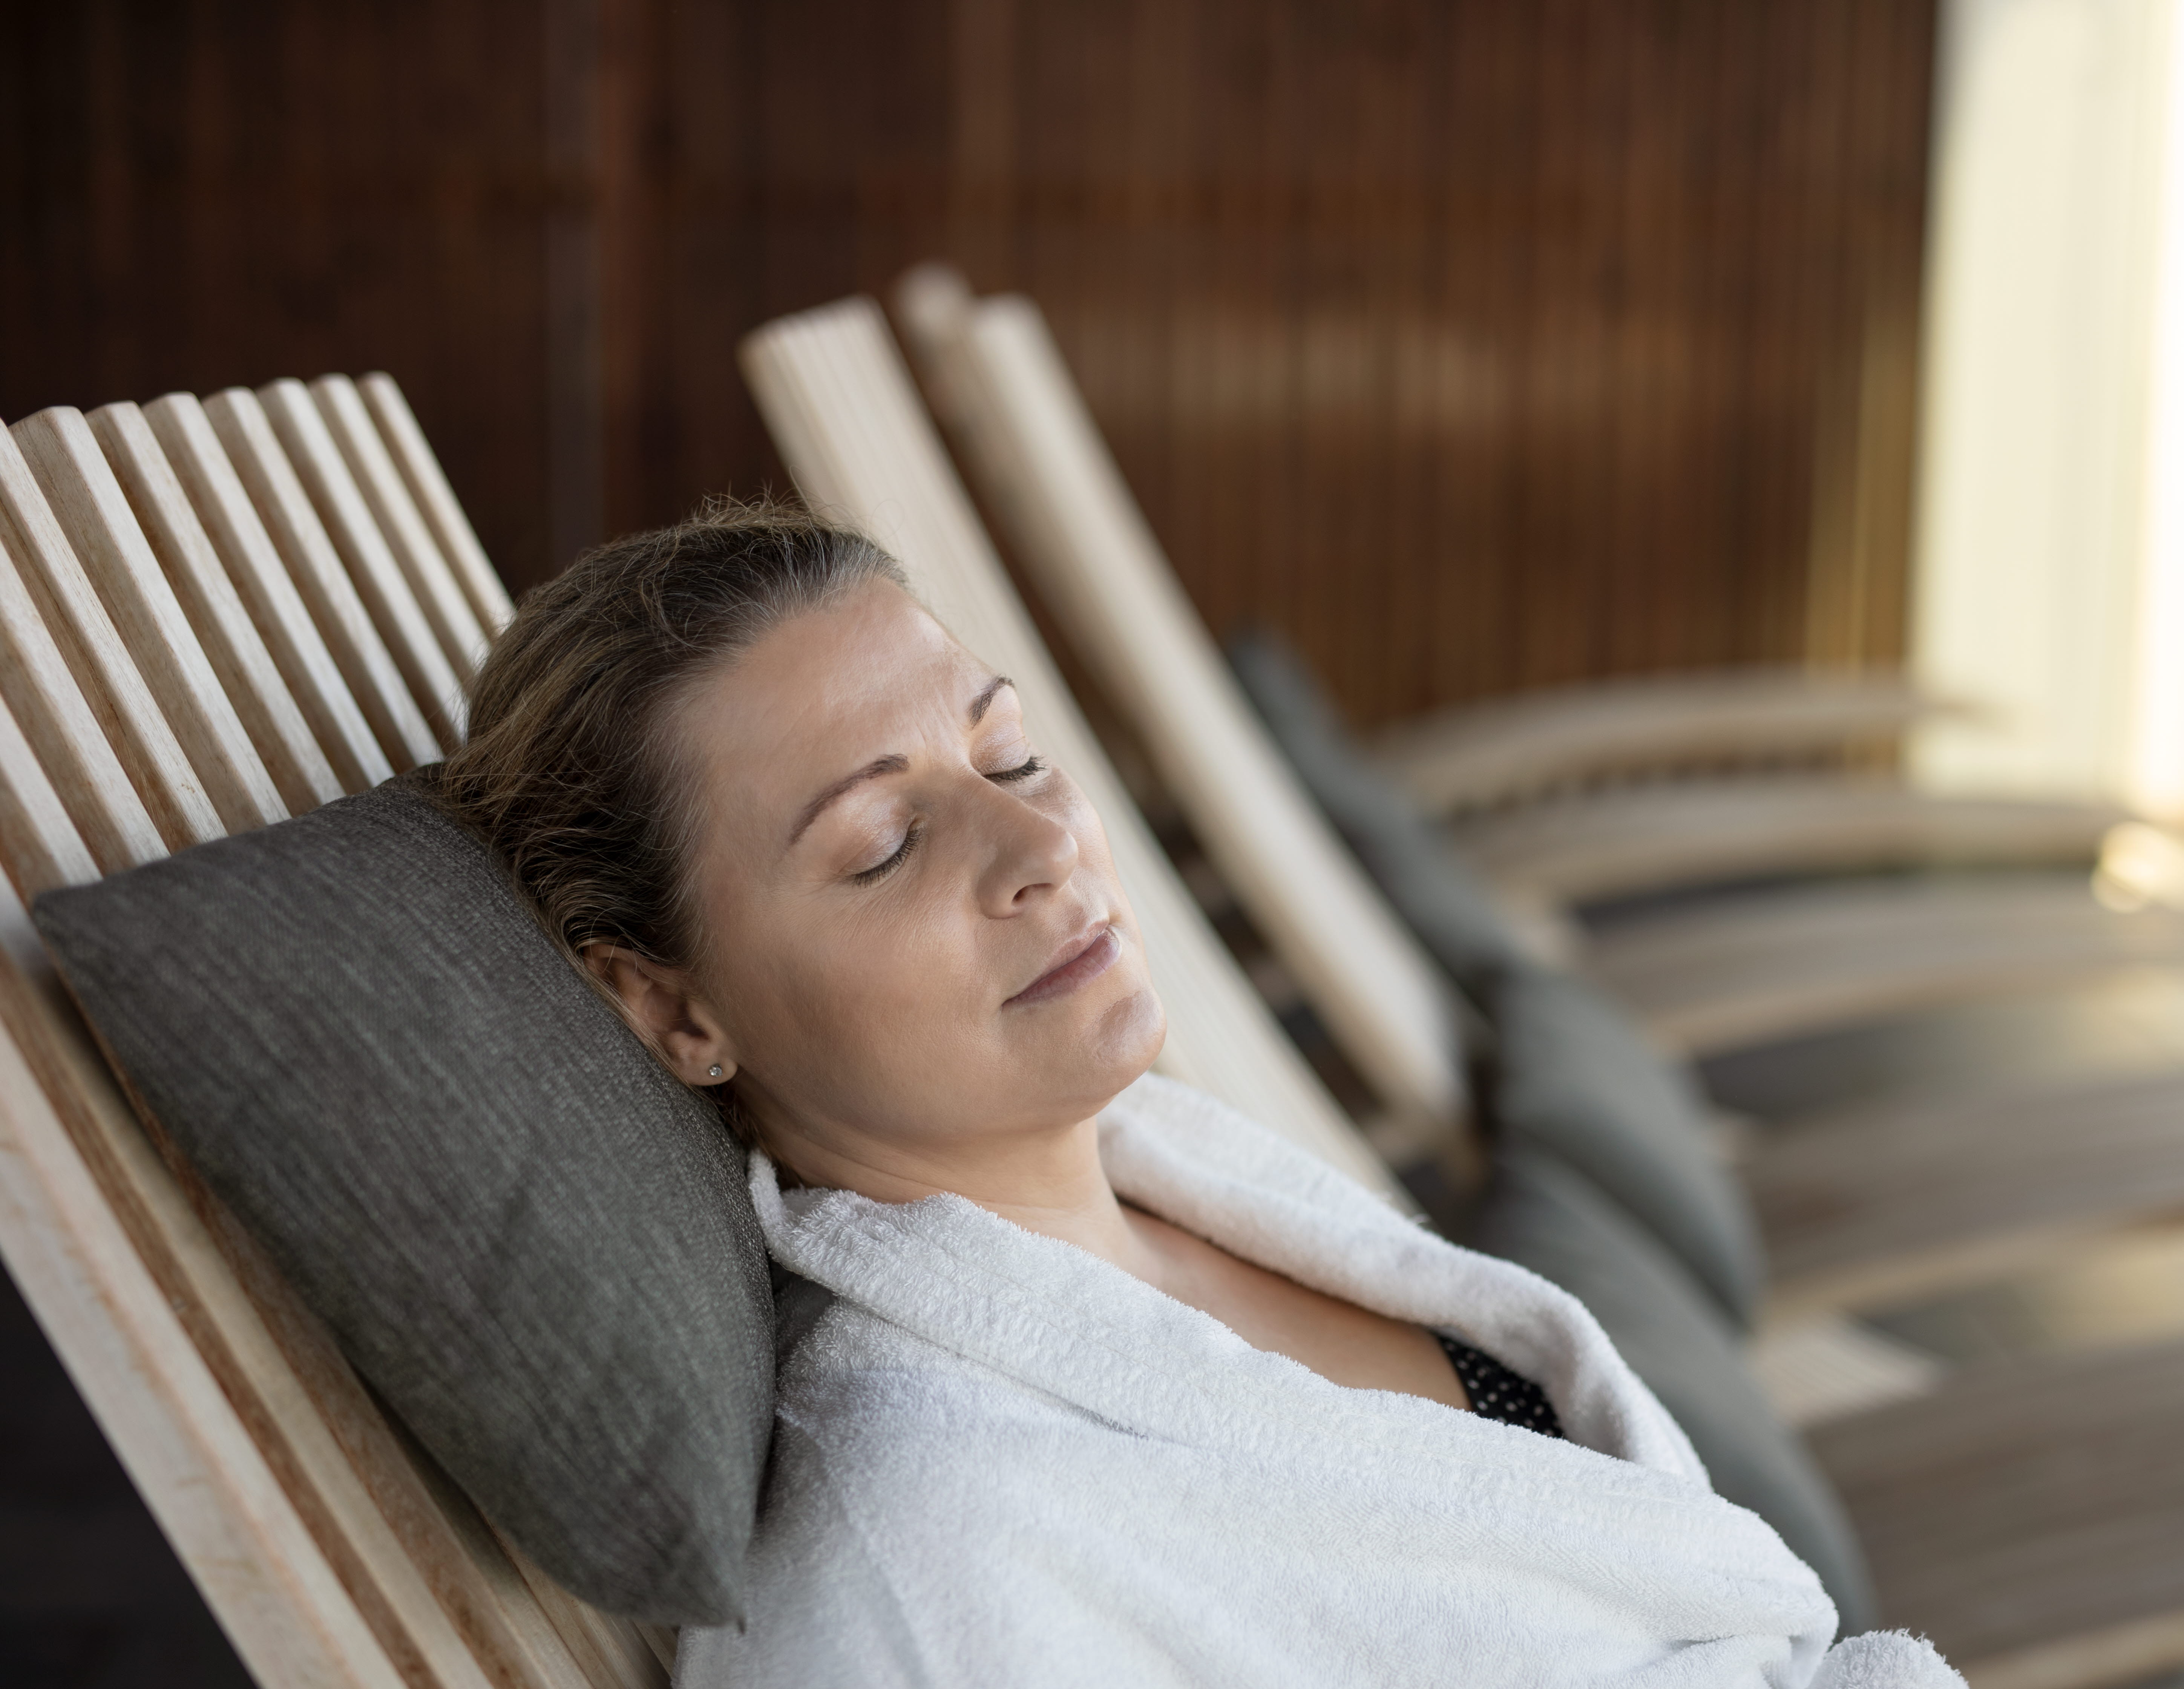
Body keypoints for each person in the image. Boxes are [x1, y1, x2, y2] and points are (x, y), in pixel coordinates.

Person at [441, 504, 1958, 1689]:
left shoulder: (1184, 1174)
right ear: (672, 1004)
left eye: (1009, 747)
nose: (1039, 842)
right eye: (884, 843)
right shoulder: (922, 1545)